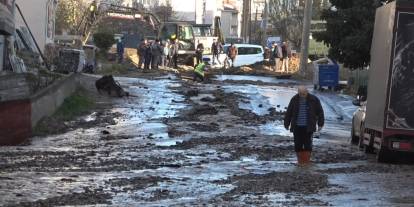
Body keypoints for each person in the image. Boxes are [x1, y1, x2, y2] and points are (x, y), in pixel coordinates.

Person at [284, 86, 325, 166]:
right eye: (300, 94)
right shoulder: (294, 99)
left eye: (304, 94)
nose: (302, 95)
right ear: (298, 93)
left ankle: (306, 162)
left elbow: (320, 112)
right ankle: (300, 161)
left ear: (307, 92)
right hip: (297, 126)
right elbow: (289, 112)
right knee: (298, 144)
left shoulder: (314, 100)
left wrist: (320, 124)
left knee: (307, 144)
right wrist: (286, 123)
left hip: (309, 127)